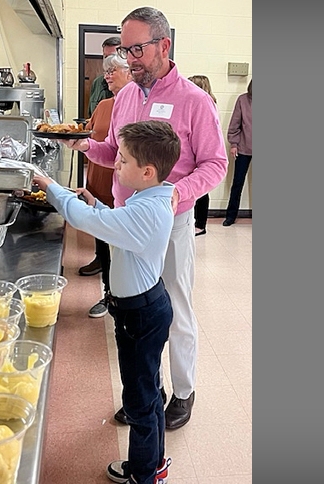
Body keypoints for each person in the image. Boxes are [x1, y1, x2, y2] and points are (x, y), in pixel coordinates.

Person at [63, 6, 228, 433]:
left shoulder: (194, 101)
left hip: (168, 225)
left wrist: (177, 192)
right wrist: (86, 146)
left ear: (164, 45)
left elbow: (215, 164)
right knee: (134, 312)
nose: (130, 58)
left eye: (137, 48)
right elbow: (117, 154)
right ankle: (145, 391)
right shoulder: (125, 99)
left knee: (174, 307)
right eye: (125, 48)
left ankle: (184, 392)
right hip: (125, 220)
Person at [34, 120, 180, 484]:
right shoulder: (150, 198)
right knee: (149, 390)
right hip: (146, 308)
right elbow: (110, 221)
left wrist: (52, 189)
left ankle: (144, 474)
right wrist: (97, 202)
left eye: (123, 160)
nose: (115, 164)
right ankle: (154, 462)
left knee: (140, 400)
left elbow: (84, 219)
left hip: (141, 315)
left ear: (147, 172)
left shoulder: (144, 212)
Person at [81, 55, 134, 319]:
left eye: (113, 70)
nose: (108, 75)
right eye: (106, 71)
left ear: (130, 72)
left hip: (126, 188)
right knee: (103, 236)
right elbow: (89, 134)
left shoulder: (138, 105)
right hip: (99, 179)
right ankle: (108, 292)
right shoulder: (103, 105)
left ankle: (123, 296)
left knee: (123, 246)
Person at [188, 75, 219, 236]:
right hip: (193, 152)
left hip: (201, 153)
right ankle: (195, 222)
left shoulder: (207, 104)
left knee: (202, 191)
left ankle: (201, 224)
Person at [223, 79, 252, 226]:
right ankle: (230, 216)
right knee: (237, 183)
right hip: (244, 147)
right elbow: (235, 123)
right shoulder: (243, 99)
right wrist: (233, 143)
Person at [86, 36, 122, 117]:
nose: (108, 61)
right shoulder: (97, 83)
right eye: (105, 57)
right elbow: (91, 115)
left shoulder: (132, 85)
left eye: (112, 56)